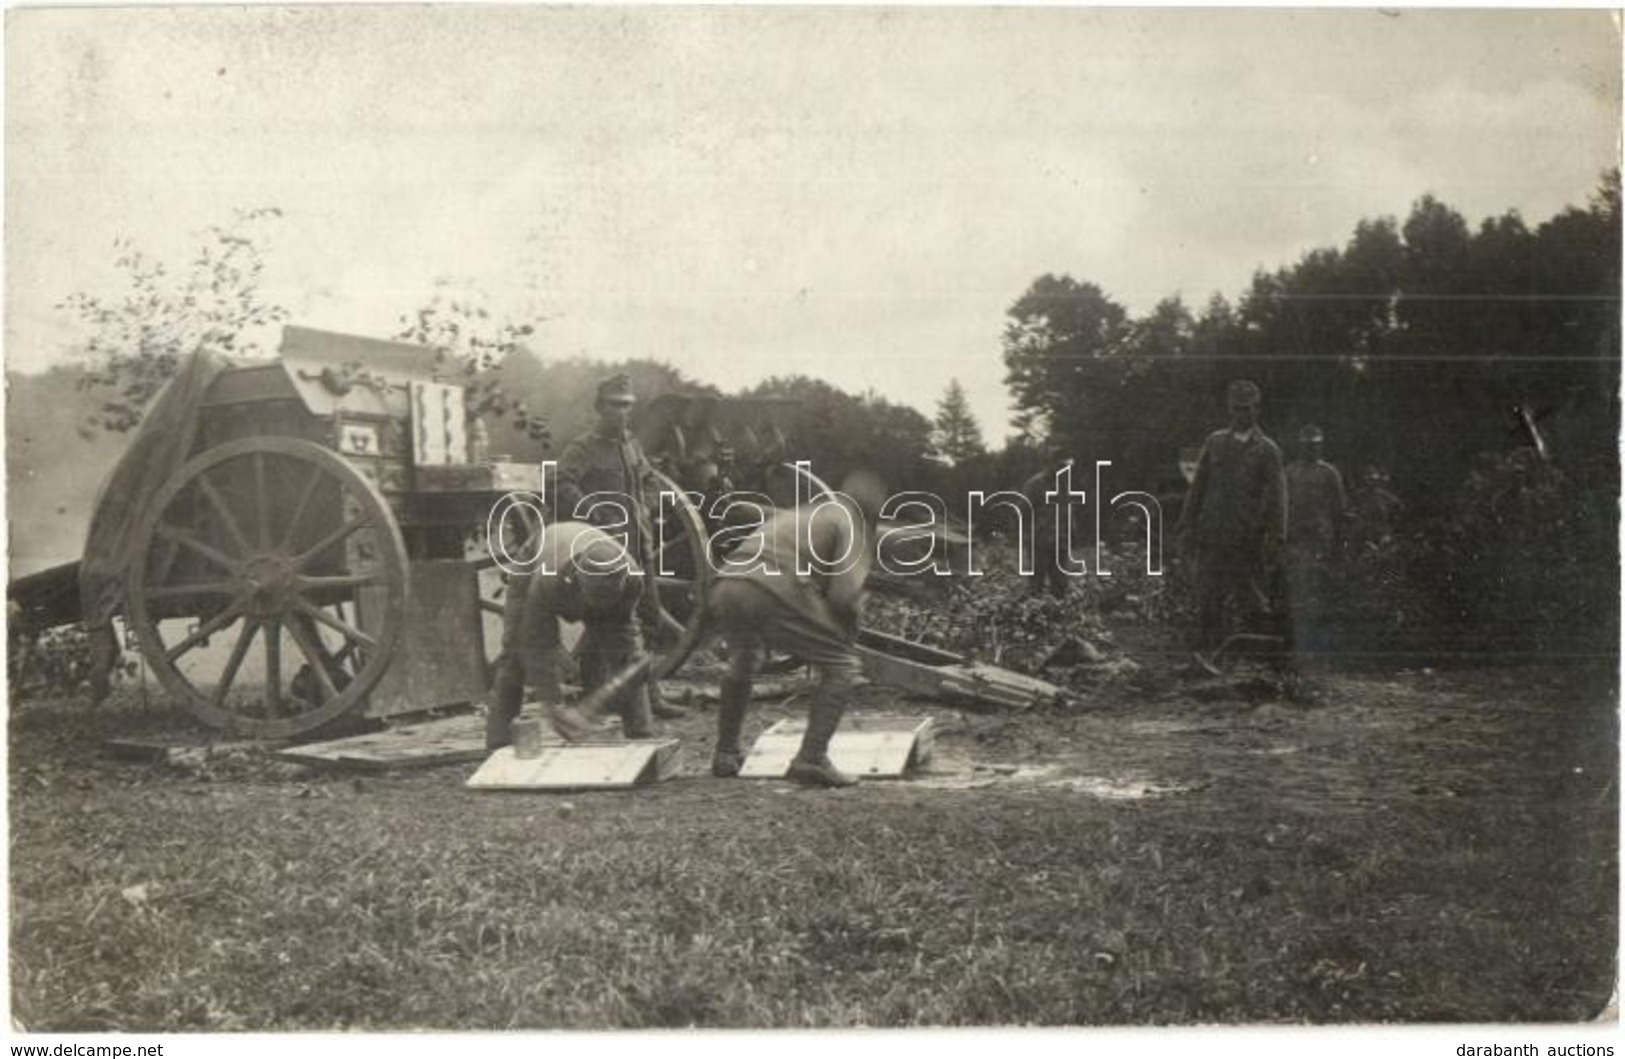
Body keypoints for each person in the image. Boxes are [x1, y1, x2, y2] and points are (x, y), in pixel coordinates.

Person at [706, 470, 887, 789]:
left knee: (744, 659)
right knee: (842, 666)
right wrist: (856, 609)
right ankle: (812, 758)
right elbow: (842, 598)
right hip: (771, 585)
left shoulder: (808, 512)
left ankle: (725, 753)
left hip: (728, 582)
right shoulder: (853, 523)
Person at [555, 373, 687, 720]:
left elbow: (647, 479)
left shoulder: (631, 445)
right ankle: (602, 695)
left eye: (627, 406)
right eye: (614, 406)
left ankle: (649, 695)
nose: (621, 413)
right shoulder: (583, 447)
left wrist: (650, 504)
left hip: (639, 547)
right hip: (605, 552)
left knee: (648, 620)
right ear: (600, 407)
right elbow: (560, 482)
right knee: (603, 622)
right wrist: (591, 509)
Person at [487, 520, 657, 751]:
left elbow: (625, 636)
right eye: (595, 599)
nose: (599, 607)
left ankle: (642, 738)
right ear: (578, 580)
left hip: (577, 557)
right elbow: (538, 643)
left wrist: (635, 665)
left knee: (626, 659)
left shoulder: (633, 580)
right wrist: (552, 704)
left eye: (606, 600)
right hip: (535, 559)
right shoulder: (550, 581)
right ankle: (498, 744)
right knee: (515, 654)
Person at [1177, 379, 1287, 669]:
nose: (1242, 414)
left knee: (1253, 599)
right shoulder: (1214, 442)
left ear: (1257, 410)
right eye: (1237, 409)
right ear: (1229, 410)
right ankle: (1205, 660)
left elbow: (1278, 499)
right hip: (1212, 534)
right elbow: (1198, 487)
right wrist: (1187, 524)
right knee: (1207, 597)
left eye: (1247, 409)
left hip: (1247, 538)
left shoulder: (1267, 450)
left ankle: (1258, 663)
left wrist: (1277, 538)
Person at [1284, 424, 1348, 650]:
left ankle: (1319, 641)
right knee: (1296, 584)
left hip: (1321, 538)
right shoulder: (1291, 472)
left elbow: (1339, 509)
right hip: (1295, 537)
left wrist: (1337, 542)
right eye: (1307, 446)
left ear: (1320, 448)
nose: (1311, 450)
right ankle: (1296, 637)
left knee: (1318, 586)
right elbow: (1282, 504)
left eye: (1315, 446)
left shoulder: (1329, 473)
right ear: (1300, 447)